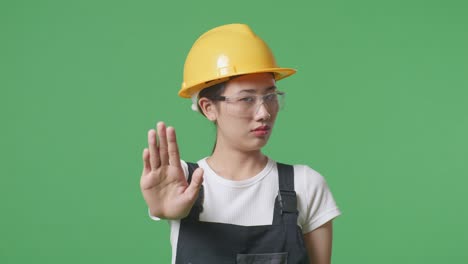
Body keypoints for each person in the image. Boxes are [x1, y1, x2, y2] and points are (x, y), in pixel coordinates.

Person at [140, 23, 341, 264]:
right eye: (247, 99)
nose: (264, 112)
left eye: (270, 97)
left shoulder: (306, 185)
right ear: (208, 108)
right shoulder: (183, 182)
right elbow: (167, 202)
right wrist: (164, 210)